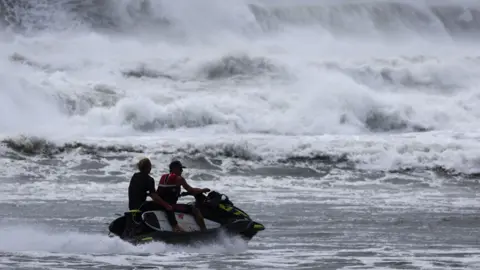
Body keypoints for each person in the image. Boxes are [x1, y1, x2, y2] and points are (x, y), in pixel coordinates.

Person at [157, 160, 210, 232]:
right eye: (180, 169)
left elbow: (167, 191)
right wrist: (202, 190)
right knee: (195, 209)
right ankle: (204, 231)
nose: (181, 171)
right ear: (174, 169)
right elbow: (191, 190)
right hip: (171, 206)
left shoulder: (163, 177)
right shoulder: (179, 179)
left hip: (161, 204)